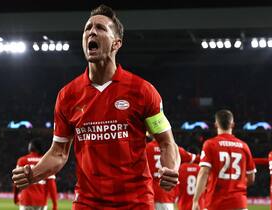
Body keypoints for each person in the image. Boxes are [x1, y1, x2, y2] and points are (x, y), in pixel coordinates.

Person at [12, 4, 180, 210]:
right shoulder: (68, 95)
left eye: (100, 28)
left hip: (135, 203)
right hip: (88, 202)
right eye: (87, 28)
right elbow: (59, 153)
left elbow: (166, 143)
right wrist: (33, 174)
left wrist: (171, 169)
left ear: (116, 43)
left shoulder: (142, 91)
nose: (91, 31)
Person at [192, 109, 256, 210]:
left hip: (216, 202)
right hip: (239, 202)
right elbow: (251, 179)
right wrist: (235, 186)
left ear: (216, 124)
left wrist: (195, 200)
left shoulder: (210, 144)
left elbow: (204, 173)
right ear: (233, 124)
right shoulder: (244, 146)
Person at [146, 133, 198, 210]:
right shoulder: (173, 148)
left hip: (149, 195)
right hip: (166, 195)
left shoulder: (146, 148)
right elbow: (195, 159)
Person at [13, 138, 58, 210]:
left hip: (26, 200)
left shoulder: (22, 160)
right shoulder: (46, 162)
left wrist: (15, 197)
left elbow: (17, 181)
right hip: (41, 201)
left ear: (31, 147)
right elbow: (51, 184)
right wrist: (55, 204)